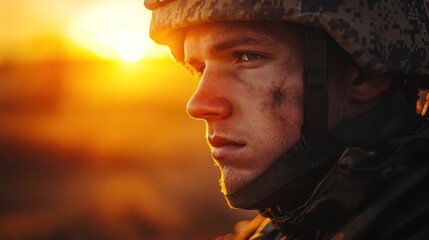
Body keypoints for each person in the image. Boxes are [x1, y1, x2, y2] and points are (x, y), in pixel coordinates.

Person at [144, 0, 429, 239]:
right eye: (198, 67)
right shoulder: (294, 220)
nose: (198, 105)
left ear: (367, 73)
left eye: (247, 56)